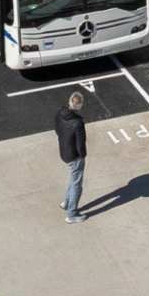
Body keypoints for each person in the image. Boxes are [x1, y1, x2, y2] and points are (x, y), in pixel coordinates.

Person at [57, 91, 88, 224]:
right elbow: (81, 143)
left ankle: (66, 202)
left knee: (73, 178)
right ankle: (72, 214)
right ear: (80, 106)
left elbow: (57, 130)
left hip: (64, 152)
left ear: (69, 102)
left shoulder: (59, 114)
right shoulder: (78, 122)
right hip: (74, 156)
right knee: (77, 184)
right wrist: (83, 155)